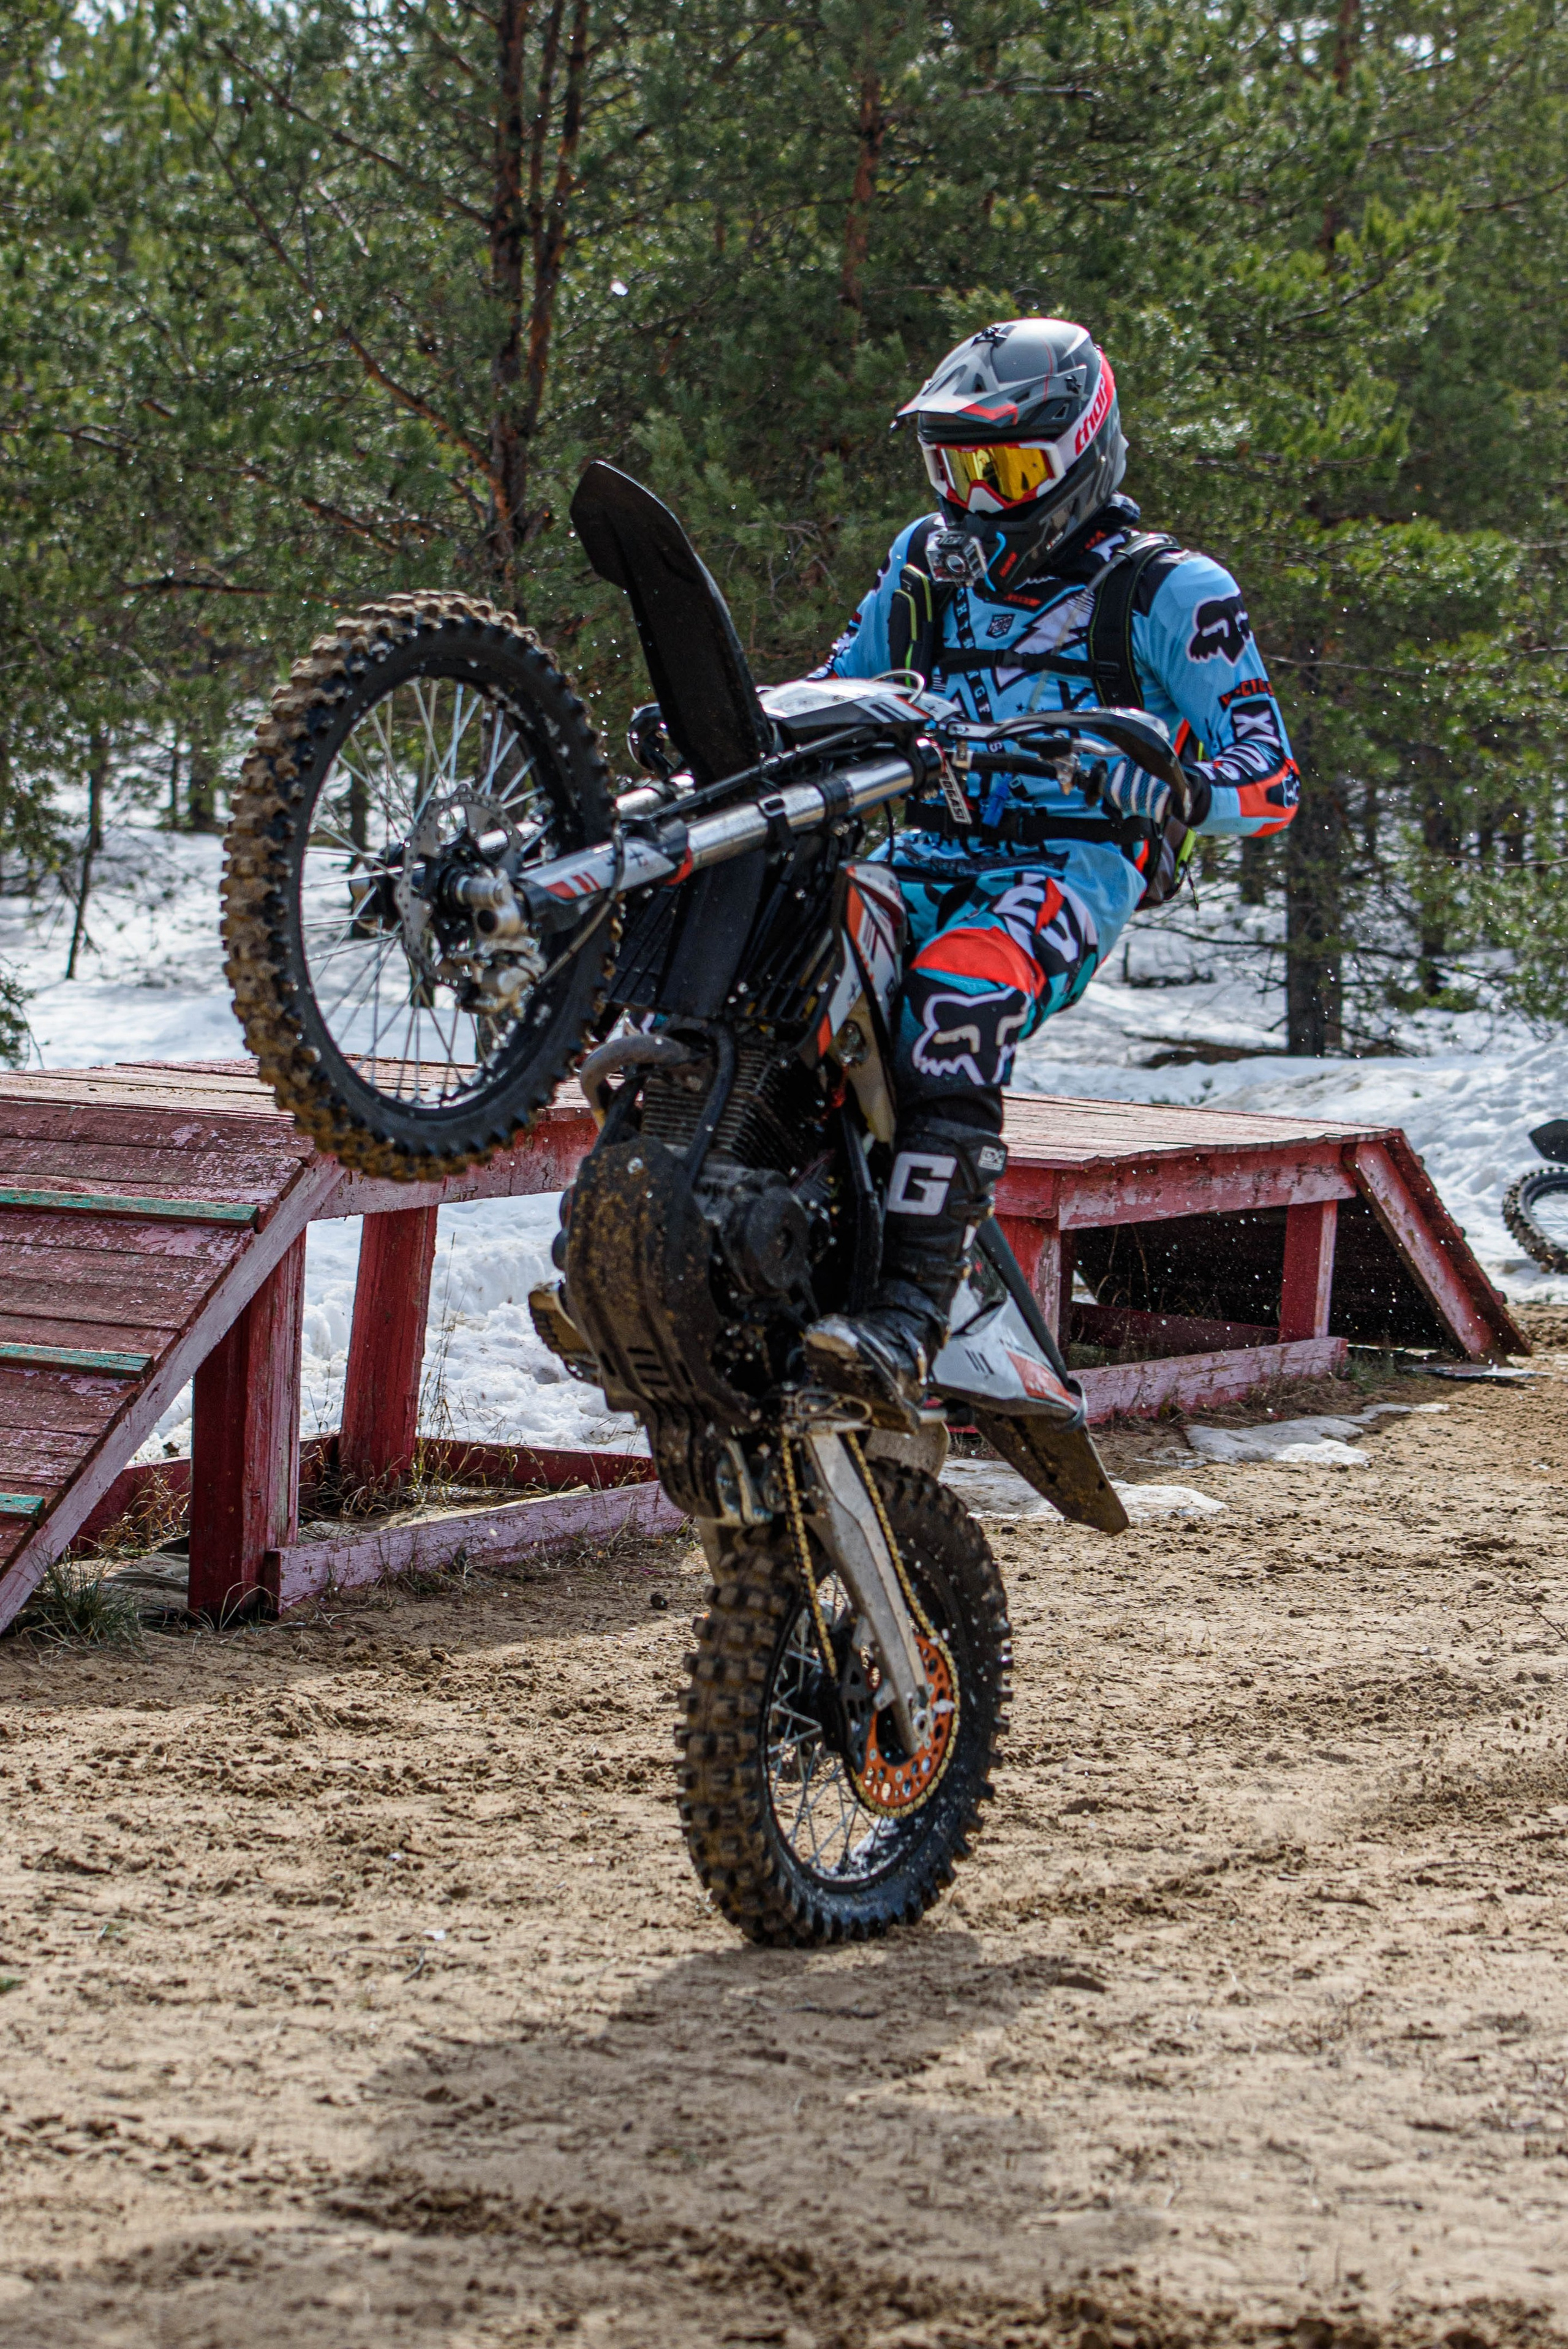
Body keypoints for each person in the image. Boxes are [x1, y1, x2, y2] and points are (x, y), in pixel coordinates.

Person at [803, 315, 1300, 1422]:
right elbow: (843, 687)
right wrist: (742, 730)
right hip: (919, 850)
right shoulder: (925, 563)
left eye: (1011, 472)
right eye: (957, 471)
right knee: (780, 951)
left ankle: (909, 1318)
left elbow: (1272, 779)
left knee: (956, 994)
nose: (980, 500)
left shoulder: (1170, 590)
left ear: (1083, 454)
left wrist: (1171, 787)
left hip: (1069, 864)